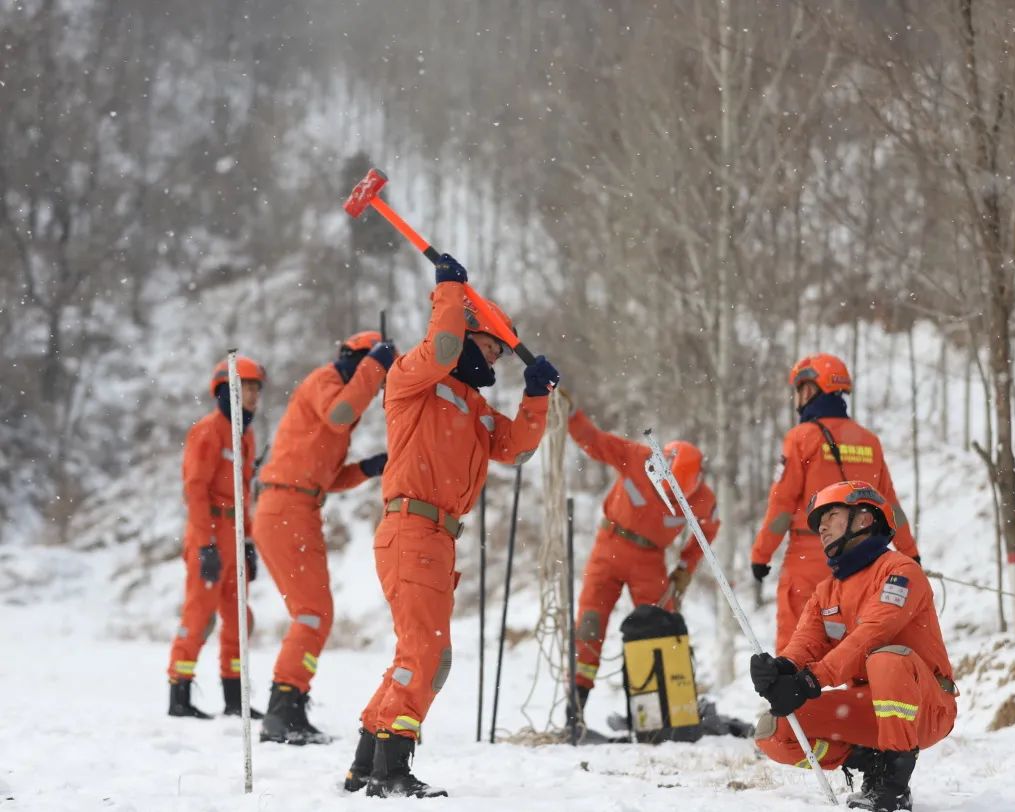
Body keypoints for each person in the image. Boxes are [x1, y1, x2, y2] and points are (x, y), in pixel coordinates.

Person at [343, 253, 559, 798]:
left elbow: (519, 449)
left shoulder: (475, 407)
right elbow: (440, 348)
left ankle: (367, 762)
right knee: (429, 655)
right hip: (411, 531)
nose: (493, 360)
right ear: (464, 334)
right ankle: (390, 772)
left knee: (413, 651)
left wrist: (537, 396)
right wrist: (450, 292)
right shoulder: (415, 377)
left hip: (436, 540)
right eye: (489, 347)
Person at [750, 481, 956, 812]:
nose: (823, 528)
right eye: (819, 524)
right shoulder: (825, 591)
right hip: (870, 709)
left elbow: (871, 634)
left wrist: (811, 680)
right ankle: (869, 762)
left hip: (926, 708)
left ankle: (893, 785)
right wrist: (781, 669)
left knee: (887, 659)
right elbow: (805, 644)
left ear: (863, 519)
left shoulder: (900, 572)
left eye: (831, 515)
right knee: (773, 732)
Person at [254, 331, 395, 744]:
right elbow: (340, 411)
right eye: (371, 371)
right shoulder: (325, 382)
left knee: (314, 613)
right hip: (286, 509)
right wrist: (376, 364)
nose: (373, 385)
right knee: (313, 613)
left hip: (296, 506)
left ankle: (290, 704)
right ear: (355, 359)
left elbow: (327, 478)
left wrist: (369, 468)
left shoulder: (338, 407)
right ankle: (283, 709)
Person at [563, 401, 719, 728]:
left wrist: (685, 568)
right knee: (589, 625)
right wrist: (569, 413)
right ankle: (574, 712)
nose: (669, 499)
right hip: (609, 547)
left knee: (661, 629)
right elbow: (593, 440)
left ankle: (658, 714)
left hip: (651, 561)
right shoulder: (638, 458)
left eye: (676, 497)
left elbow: (709, 528)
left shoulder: (702, 497)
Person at [751, 353, 921, 650]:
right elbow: (891, 507)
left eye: (799, 390)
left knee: (798, 652)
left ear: (810, 389)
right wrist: (910, 553)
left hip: (811, 557)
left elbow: (781, 508)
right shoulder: (868, 441)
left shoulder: (800, 438)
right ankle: (860, 698)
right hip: (865, 561)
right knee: (863, 650)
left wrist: (761, 555)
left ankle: (805, 698)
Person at [167, 355, 266, 719]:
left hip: (236, 535)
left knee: (239, 618)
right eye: (247, 389)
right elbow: (195, 489)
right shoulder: (208, 431)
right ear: (226, 391)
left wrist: (249, 543)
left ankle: (234, 698)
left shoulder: (246, 435)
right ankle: (179, 696)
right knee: (199, 615)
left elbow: (245, 492)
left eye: (257, 390)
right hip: (208, 533)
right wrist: (207, 542)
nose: (253, 397)